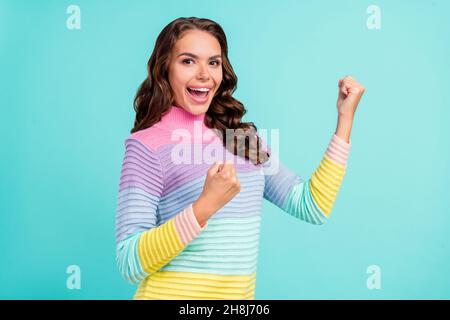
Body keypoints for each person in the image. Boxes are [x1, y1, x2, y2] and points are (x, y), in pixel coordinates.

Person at [115, 17, 365, 300]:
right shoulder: (147, 145)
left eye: (213, 62)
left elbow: (311, 205)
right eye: (187, 61)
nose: (204, 75)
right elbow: (129, 263)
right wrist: (204, 207)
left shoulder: (240, 139)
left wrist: (345, 119)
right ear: (165, 70)